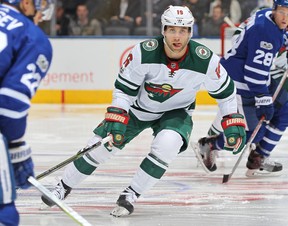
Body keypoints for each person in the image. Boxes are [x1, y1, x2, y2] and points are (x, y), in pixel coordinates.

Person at [41, 5, 246, 217]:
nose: (177, 36)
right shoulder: (143, 53)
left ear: (190, 33)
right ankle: (63, 186)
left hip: (176, 113)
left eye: (183, 30)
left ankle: (131, 194)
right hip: (138, 110)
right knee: (98, 147)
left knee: (167, 145)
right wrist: (118, 114)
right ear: (163, 30)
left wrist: (231, 119)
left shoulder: (205, 60)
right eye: (172, 29)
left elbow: (227, 94)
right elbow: (124, 90)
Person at [196, 0, 288, 175]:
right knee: (253, 132)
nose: (286, 18)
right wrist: (263, 99)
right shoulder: (265, 33)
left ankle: (258, 156)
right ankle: (209, 145)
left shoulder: (265, 15)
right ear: (275, 9)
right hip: (240, 83)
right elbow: (253, 73)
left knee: (284, 110)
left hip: (254, 78)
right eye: (283, 12)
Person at [0, 0, 54, 225]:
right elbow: (9, 106)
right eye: (41, 5)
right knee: (4, 212)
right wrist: (16, 149)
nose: (42, 13)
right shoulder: (33, 36)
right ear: (25, 3)